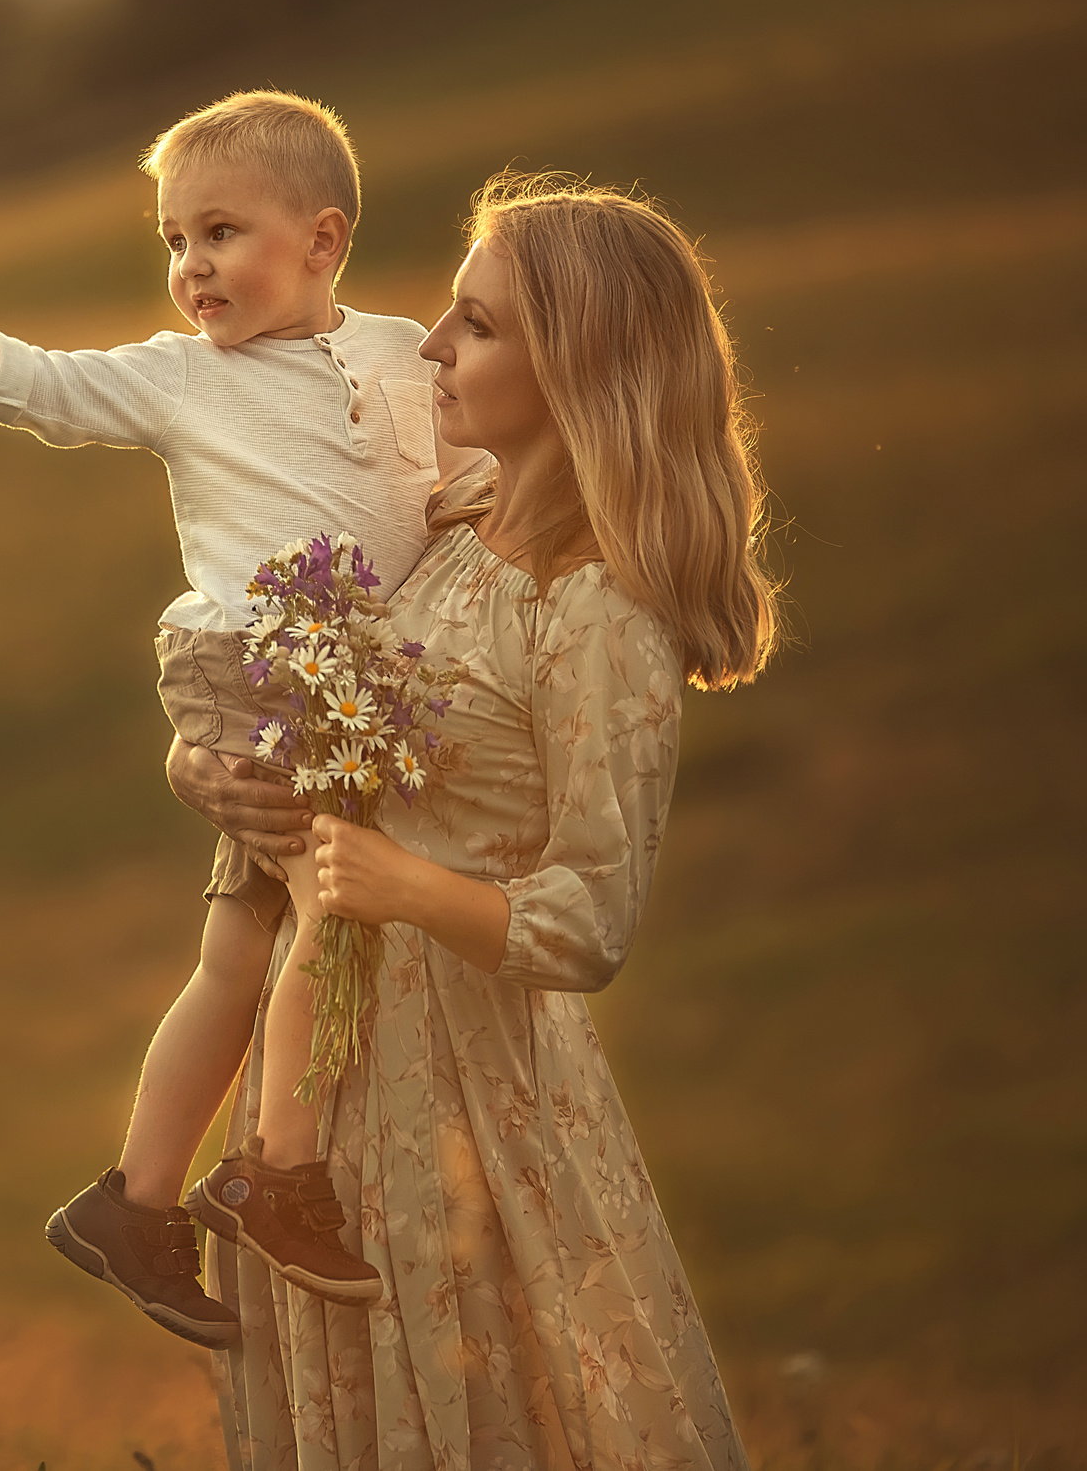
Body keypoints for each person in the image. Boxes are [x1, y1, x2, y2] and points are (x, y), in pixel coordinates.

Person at [0, 90, 482, 1349]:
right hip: (248, 665)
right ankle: (274, 1171)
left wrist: (478, 497)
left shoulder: (399, 352)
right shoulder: (178, 382)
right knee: (338, 900)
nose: (189, 267)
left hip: (344, 684)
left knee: (238, 951)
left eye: (219, 233)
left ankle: (134, 1203)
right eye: (173, 241)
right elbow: (30, 380)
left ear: (321, 243)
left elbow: (455, 469)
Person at [170, 174, 775, 1467]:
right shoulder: (450, 526)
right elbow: (343, 741)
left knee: (494, 1405)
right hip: (322, 1070)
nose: (430, 343)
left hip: (472, 1087)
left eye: (479, 323)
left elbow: (589, 923)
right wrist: (215, 771)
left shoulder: (601, 607)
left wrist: (402, 884)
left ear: (581, 362)